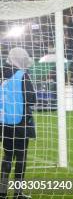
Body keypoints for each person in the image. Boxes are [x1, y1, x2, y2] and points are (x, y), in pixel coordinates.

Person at [0, 47, 36, 199]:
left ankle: (1, 192)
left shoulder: (4, 77)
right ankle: (17, 193)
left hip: (6, 123)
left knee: (7, 156)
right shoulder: (23, 75)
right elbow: (32, 98)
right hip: (21, 123)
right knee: (21, 157)